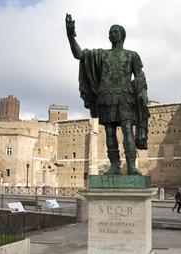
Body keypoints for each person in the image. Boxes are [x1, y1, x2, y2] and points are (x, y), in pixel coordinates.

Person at [65, 14, 149, 175]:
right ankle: (115, 166)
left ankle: (131, 166)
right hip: (106, 96)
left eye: (115, 31)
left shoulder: (132, 55)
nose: (112, 34)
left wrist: (142, 93)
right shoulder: (101, 54)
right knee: (109, 131)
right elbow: (79, 55)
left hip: (125, 96)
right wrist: (70, 35)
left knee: (127, 130)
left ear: (122, 35)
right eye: (110, 32)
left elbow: (139, 77)